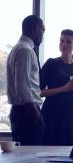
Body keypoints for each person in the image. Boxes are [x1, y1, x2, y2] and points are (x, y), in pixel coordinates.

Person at [6, 15, 46, 145]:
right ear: (35, 29)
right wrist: (35, 114)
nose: (43, 35)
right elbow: (22, 87)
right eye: (42, 31)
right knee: (30, 160)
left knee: (23, 160)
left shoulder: (18, 48)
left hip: (21, 112)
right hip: (27, 112)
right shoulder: (25, 50)